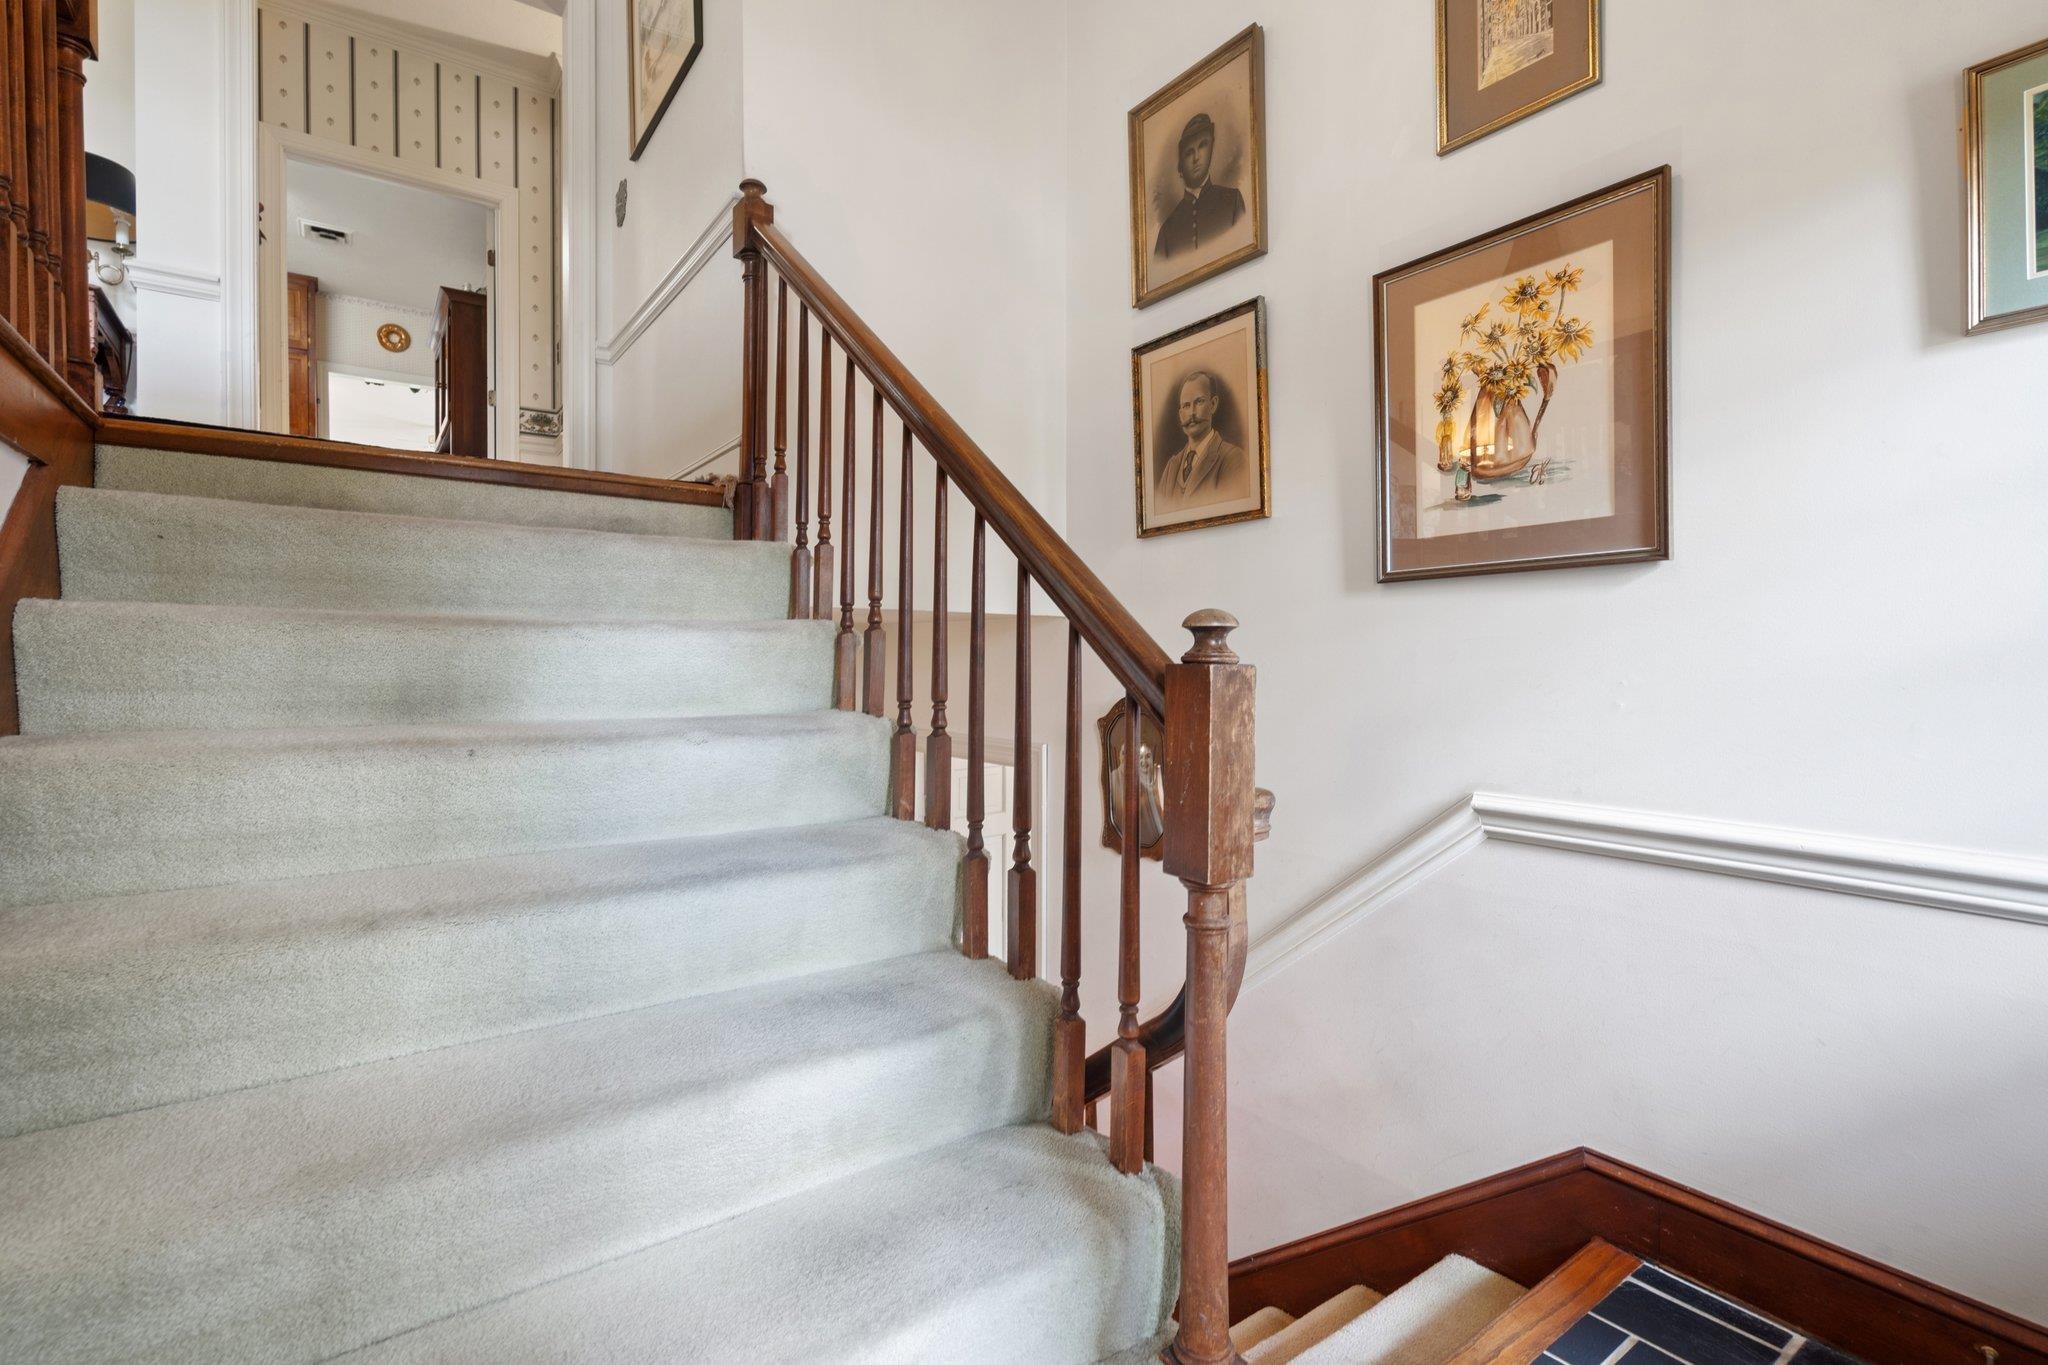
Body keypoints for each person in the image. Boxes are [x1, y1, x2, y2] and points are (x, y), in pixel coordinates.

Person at [1153, 112, 1245, 259]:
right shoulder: (1167, 231)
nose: (1196, 158)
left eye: (1202, 146)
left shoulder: (1232, 202)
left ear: (1212, 147)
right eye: (1189, 153)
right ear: (1180, 165)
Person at [1155, 370, 1246, 512]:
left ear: (1213, 404)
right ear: (1180, 414)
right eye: (1186, 405)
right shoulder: (1171, 467)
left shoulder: (1233, 459)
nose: (1191, 413)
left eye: (1199, 402)